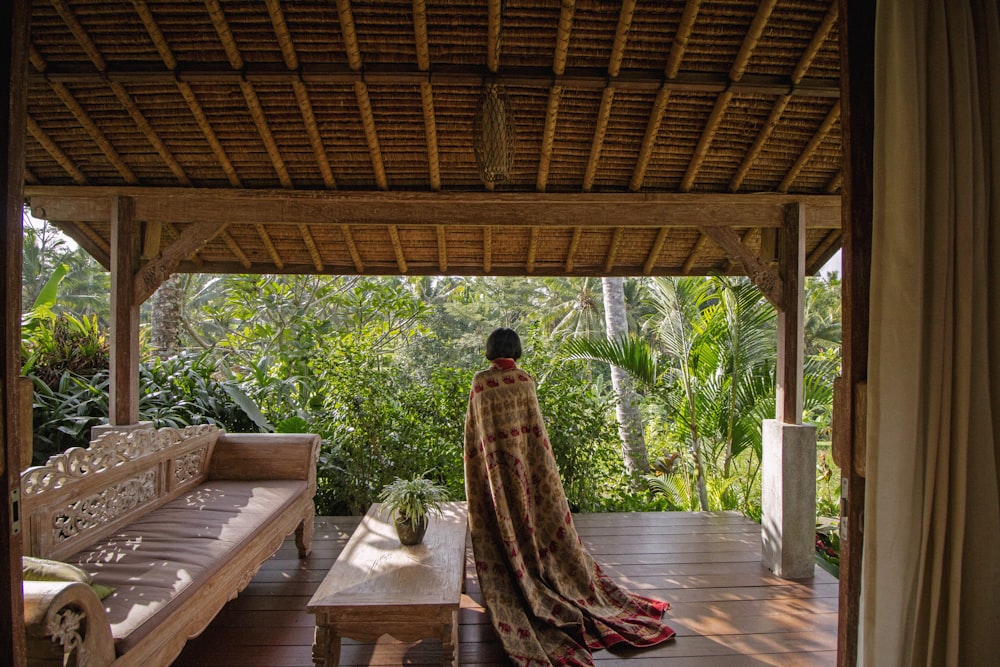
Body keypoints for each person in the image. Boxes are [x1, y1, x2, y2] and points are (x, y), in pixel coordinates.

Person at [464, 327, 675, 666]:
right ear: (515, 350)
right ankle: (537, 569)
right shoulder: (525, 381)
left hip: (496, 473)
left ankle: (513, 565)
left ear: (490, 350)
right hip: (529, 474)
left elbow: (476, 437)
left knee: (504, 522)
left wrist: (481, 473)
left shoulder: (481, 382)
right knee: (533, 523)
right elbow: (535, 439)